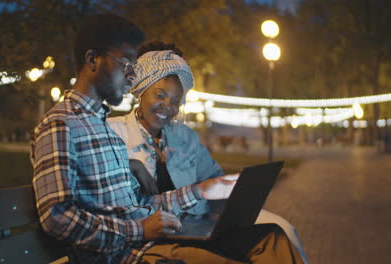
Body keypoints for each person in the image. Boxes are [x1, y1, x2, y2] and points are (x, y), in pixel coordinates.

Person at [31, 14, 304, 264]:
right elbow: (57, 218)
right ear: (93, 60)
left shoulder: (102, 129)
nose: (131, 77)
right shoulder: (62, 124)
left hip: (151, 241)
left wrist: (199, 191)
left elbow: (140, 206)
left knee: (272, 238)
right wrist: (139, 228)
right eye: (126, 64)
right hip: (132, 254)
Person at [108, 41, 308, 264]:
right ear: (141, 91)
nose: (168, 106)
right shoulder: (114, 134)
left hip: (196, 225)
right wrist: (200, 193)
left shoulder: (184, 137)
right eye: (160, 95)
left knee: (276, 235)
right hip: (156, 238)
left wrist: (229, 201)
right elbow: (128, 208)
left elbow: (213, 177)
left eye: (175, 100)